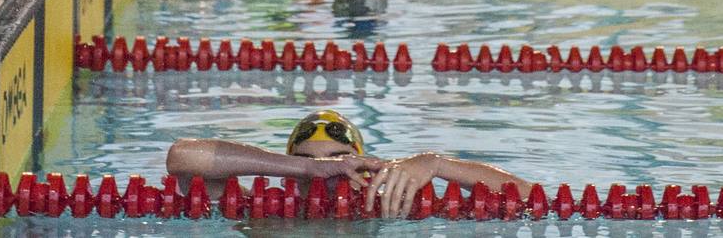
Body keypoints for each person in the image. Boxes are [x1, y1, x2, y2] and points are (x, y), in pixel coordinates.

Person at [166, 110, 531, 220]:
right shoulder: (258, 211)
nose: (327, 173)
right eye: (307, 161)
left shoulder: (392, 209)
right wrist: (304, 170)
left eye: (339, 161)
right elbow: (182, 157)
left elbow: (529, 197)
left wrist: (435, 164)